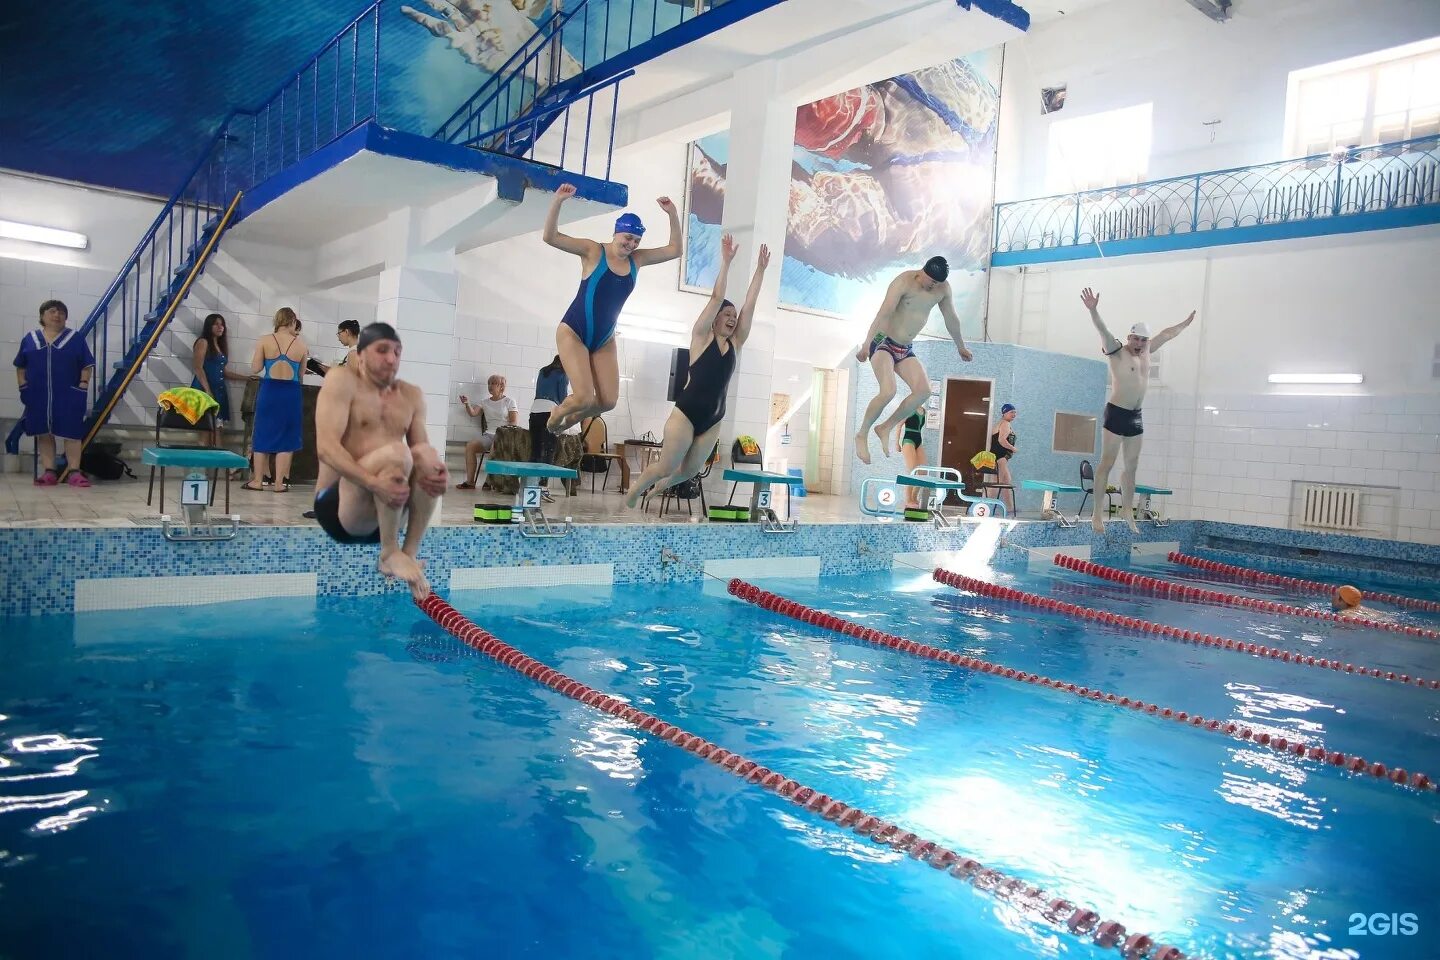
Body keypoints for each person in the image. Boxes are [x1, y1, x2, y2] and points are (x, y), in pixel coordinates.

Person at [625, 235, 769, 509]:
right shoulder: (701, 337)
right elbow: (716, 297)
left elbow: (749, 306)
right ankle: (636, 490)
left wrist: (760, 271)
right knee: (667, 465)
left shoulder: (736, 344)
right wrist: (726, 263)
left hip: (714, 418)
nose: (732, 318)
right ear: (714, 319)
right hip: (686, 414)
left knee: (690, 471)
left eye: (733, 317)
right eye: (727, 314)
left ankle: (660, 488)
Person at [313, 322, 447, 600]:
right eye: (382, 350)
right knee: (397, 453)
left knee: (428, 459)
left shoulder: (411, 395)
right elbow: (326, 448)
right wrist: (373, 483)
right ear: (360, 355)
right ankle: (388, 552)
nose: (391, 358)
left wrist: (435, 475)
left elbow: (421, 452)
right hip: (339, 507)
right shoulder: (342, 381)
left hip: (388, 511)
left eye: (397, 352)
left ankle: (406, 553)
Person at [542, 183, 681, 434]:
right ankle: (557, 414)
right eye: (628, 238)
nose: (632, 245)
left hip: (605, 339)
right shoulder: (594, 251)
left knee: (607, 401)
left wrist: (672, 214)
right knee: (584, 397)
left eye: (637, 241)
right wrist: (558, 201)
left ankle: (571, 422)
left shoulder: (637, 261)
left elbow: (674, 250)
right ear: (617, 232)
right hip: (573, 331)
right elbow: (550, 237)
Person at [1081, 287, 1195, 533]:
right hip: (1116, 413)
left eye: (1144, 340)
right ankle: (1097, 515)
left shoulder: (1147, 352)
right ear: (1129, 337)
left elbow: (1167, 333)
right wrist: (1093, 310)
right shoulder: (1116, 351)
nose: (1140, 344)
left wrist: (1185, 324)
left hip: (1135, 417)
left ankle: (1127, 512)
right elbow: (1102, 329)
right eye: (1136, 339)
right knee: (1107, 464)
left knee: (1132, 467)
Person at [854, 256, 973, 464]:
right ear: (922, 272)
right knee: (888, 391)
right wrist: (866, 344)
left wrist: (960, 346)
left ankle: (885, 427)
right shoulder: (903, 282)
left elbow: (951, 318)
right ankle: (862, 433)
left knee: (923, 391)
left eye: (937, 283)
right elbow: (884, 313)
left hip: (905, 347)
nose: (933, 286)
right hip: (882, 341)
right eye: (931, 281)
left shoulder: (943, 289)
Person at [13, 300, 95, 487]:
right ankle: (49, 472)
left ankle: (74, 472)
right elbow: (20, 366)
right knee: (43, 432)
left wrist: (82, 386)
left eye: (61, 312)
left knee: (72, 433)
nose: (57, 315)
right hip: (37, 394)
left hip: (69, 393)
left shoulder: (75, 338)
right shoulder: (30, 339)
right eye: (52, 311)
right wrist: (23, 387)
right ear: (42, 316)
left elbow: (87, 365)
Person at [244, 307, 308, 493]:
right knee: (287, 437)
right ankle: (279, 483)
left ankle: (257, 481)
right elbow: (301, 375)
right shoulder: (301, 345)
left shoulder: (264, 340)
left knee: (263, 433)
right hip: (291, 393)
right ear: (293, 321)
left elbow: (255, 368)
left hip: (270, 391)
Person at [190, 313, 246, 445]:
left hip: (219, 391)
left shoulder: (220, 346)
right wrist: (208, 390)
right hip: (205, 390)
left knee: (217, 429)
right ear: (209, 326)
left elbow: (223, 372)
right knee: (206, 429)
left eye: (222, 325)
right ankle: (202, 464)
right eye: (216, 324)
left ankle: (215, 464)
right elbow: (198, 368)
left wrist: (247, 378)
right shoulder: (203, 342)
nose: (220, 327)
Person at [456, 374, 517, 490]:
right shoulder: (484, 402)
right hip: (489, 435)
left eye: (494, 383)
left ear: (501, 387)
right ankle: (470, 482)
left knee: (495, 448)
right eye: (489, 383)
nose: (490, 386)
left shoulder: (509, 401)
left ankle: (490, 481)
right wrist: (467, 404)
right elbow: (473, 413)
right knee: (470, 446)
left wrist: (502, 433)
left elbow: (514, 422)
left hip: (504, 436)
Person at [530, 355, 569, 501]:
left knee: (535, 450)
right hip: (550, 412)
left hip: (534, 411)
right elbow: (563, 399)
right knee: (548, 450)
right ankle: (543, 488)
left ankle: (531, 487)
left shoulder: (542, 371)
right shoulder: (563, 374)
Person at [987, 403, 1018, 515]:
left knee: (1006, 482)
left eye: (1015, 412)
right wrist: (1013, 448)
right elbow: (1001, 440)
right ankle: (987, 506)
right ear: (1004, 413)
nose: (1013, 414)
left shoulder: (1001, 423)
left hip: (998, 457)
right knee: (997, 483)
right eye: (1011, 412)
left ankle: (1010, 508)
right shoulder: (1005, 424)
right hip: (1000, 457)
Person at [895, 406, 927, 509]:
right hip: (908, 440)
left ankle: (914, 497)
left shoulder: (923, 411)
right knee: (912, 471)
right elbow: (899, 425)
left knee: (923, 472)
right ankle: (908, 499)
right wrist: (897, 443)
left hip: (918, 441)